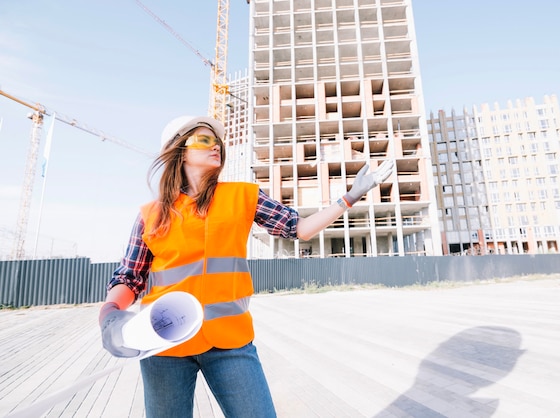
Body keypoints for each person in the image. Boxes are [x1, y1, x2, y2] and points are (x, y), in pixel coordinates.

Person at [99, 115, 394, 418]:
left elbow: (299, 229)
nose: (216, 146)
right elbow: (130, 276)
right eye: (204, 139)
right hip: (163, 344)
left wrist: (350, 197)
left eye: (217, 141)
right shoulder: (152, 214)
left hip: (230, 343)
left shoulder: (244, 196)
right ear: (179, 150)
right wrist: (109, 314)